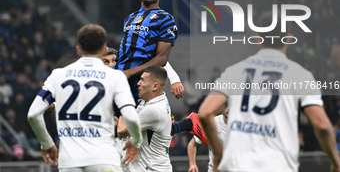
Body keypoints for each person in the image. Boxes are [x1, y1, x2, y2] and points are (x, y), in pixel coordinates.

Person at [198, 12, 340, 172]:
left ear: (258, 39)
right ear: (288, 39)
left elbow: (204, 112)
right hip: (276, 165)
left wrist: (218, 154)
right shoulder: (300, 75)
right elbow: (322, 125)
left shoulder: (234, 72)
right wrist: (335, 162)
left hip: (236, 166)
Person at [27, 24, 142, 171]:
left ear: (78, 49)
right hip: (104, 159)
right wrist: (136, 141)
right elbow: (131, 117)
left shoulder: (58, 75)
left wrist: (47, 143)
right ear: (105, 50)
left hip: (69, 161)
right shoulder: (115, 77)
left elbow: (33, 114)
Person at [115, 0, 184, 101]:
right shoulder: (130, 18)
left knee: (136, 119)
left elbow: (162, 58)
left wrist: (129, 73)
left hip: (141, 82)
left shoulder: (165, 19)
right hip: (119, 79)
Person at [118, 65, 173, 172]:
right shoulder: (153, 100)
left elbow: (122, 132)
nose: (138, 83)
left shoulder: (153, 110)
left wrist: (122, 108)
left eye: (142, 80)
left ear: (155, 86)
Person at [187, 108, 229, 172]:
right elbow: (192, 143)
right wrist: (192, 164)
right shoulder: (212, 123)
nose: (228, 109)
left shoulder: (242, 125)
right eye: (226, 105)